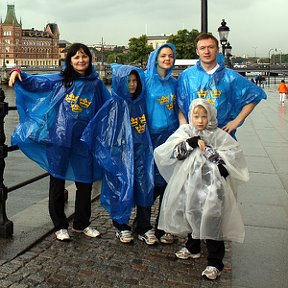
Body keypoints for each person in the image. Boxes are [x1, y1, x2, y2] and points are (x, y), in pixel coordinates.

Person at [176, 32, 266, 278]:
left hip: (220, 143)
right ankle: (193, 245)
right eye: (202, 47)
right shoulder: (187, 77)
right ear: (197, 51)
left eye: (210, 47)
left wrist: (237, 120)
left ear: (217, 49)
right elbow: (180, 105)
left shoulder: (230, 77)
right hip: (194, 144)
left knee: (215, 200)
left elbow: (254, 96)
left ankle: (215, 258)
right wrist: (186, 130)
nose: (206, 51)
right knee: (191, 197)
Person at [9, 43, 111, 241]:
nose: (80, 60)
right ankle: (59, 225)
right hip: (60, 138)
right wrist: (16, 71)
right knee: (57, 180)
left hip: (84, 142)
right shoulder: (60, 80)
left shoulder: (96, 84)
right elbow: (35, 83)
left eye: (84, 56)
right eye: (76, 57)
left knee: (85, 183)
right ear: (70, 61)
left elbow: (106, 109)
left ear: (89, 59)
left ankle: (82, 224)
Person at [154, 98, 249, 280]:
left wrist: (208, 151)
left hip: (212, 188)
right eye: (196, 116)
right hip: (190, 185)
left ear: (210, 116)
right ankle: (193, 246)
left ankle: (215, 261)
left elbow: (228, 159)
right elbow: (174, 153)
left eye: (204, 116)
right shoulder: (185, 132)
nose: (200, 120)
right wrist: (192, 142)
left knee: (212, 219)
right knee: (192, 214)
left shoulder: (217, 134)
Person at [81, 64, 154, 244]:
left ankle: (144, 227)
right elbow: (98, 129)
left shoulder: (141, 102)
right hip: (119, 157)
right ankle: (121, 226)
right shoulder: (113, 105)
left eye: (134, 81)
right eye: (128, 81)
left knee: (145, 188)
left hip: (141, 155)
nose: (132, 85)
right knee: (120, 190)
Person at [143, 43, 179, 244]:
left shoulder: (174, 83)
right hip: (149, 138)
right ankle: (144, 225)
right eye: (163, 55)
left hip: (170, 139)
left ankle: (163, 226)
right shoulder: (145, 80)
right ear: (156, 58)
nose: (167, 59)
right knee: (148, 183)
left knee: (168, 184)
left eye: (170, 56)